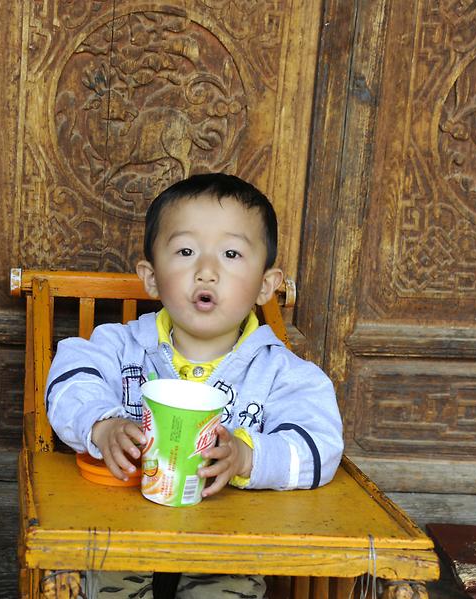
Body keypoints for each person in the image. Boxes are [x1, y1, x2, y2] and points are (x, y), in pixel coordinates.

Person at [45, 173, 343, 598]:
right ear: (150, 277)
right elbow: (71, 378)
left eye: (231, 253)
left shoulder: (283, 374)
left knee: (229, 582)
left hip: (229, 539)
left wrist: (248, 458)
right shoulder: (122, 344)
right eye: (186, 251)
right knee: (106, 568)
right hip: (123, 526)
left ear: (265, 285)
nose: (206, 271)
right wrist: (102, 425)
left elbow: (321, 445)